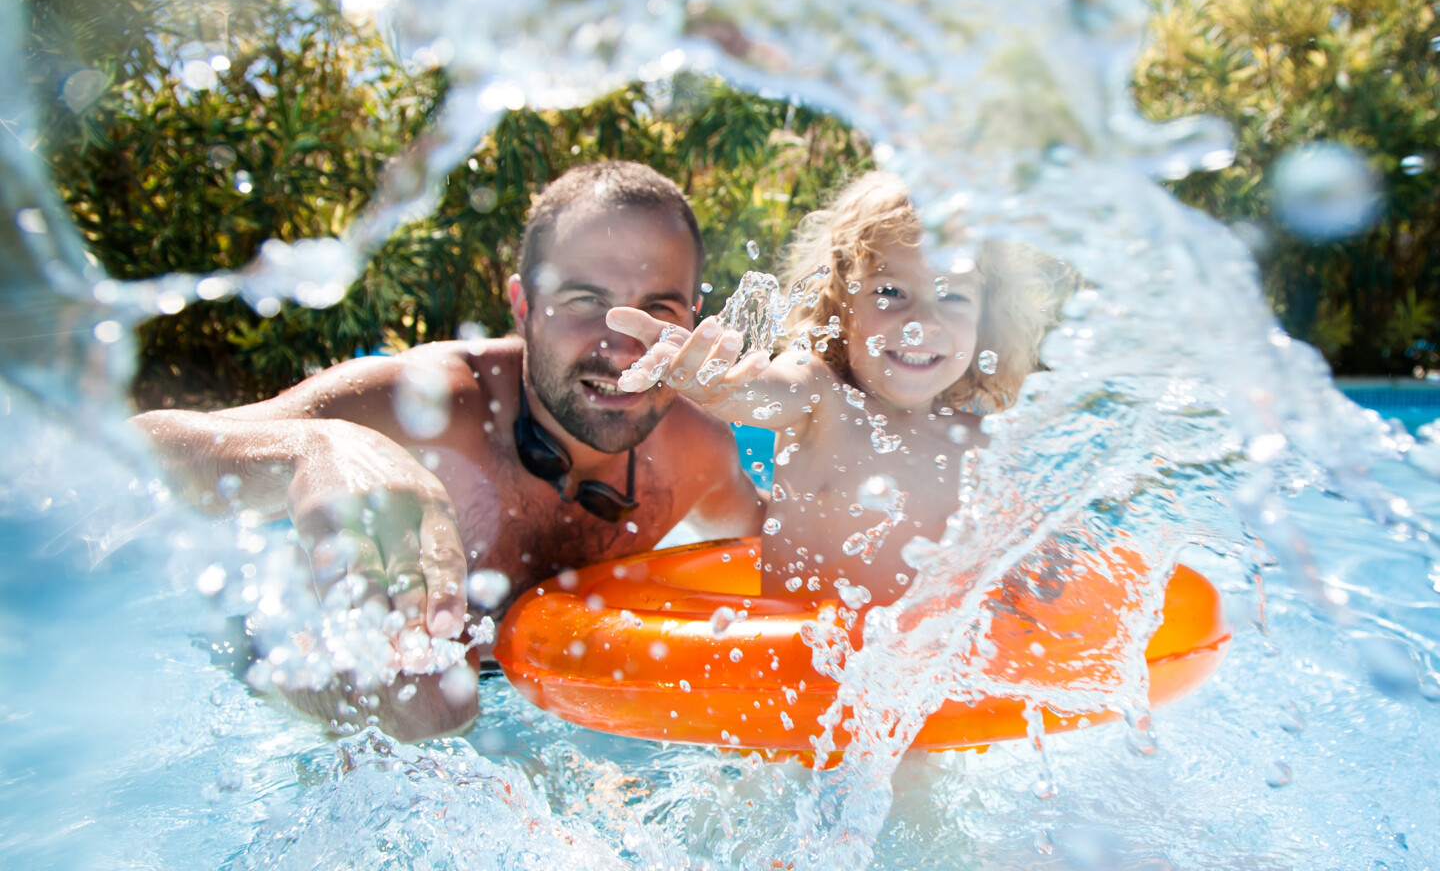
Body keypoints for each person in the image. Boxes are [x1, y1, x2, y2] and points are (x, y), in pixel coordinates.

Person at [131, 161, 764, 739]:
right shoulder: (425, 405)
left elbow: (790, 549)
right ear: (524, 306)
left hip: (540, 720)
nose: (624, 346)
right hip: (289, 700)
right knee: (427, 699)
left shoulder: (697, 449)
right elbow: (139, 452)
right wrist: (314, 449)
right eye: (585, 302)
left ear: (693, 316)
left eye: (657, 308)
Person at [608, 171, 1047, 608]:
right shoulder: (821, 393)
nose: (922, 322)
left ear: (985, 322)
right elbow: (765, 391)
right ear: (841, 301)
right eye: (891, 291)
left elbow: (1014, 577)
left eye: (953, 298)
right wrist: (717, 386)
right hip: (798, 661)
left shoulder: (982, 446)